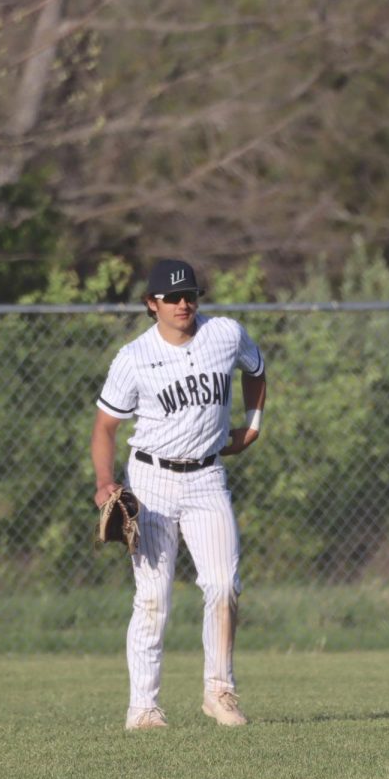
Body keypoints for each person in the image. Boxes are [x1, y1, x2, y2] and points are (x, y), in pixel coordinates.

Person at [91, 259, 266, 730]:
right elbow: (106, 427)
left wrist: (252, 425)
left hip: (208, 478)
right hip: (151, 482)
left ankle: (220, 692)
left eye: (190, 294)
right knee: (153, 596)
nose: (183, 303)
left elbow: (256, 367)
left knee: (224, 585)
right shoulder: (133, 358)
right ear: (152, 304)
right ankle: (143, 708)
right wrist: (105, 481)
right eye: (172, 297)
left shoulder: (225, 334)